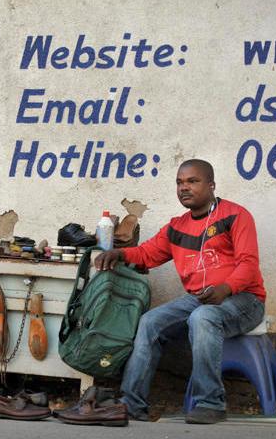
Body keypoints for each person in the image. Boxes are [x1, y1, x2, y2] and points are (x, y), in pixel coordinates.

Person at [94, 159, 266, 424]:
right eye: (179, 182)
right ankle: (132, 403)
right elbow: (146, 254)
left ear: (211, 185)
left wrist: (225, 288)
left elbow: (249, 265)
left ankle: (211, 402)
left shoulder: (235, 215)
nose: (184, 188)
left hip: (244, 300)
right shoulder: (177, 226)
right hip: (200, 299)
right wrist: (118, 253)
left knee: (203, 317)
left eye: (192, 181)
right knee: (150, 321)